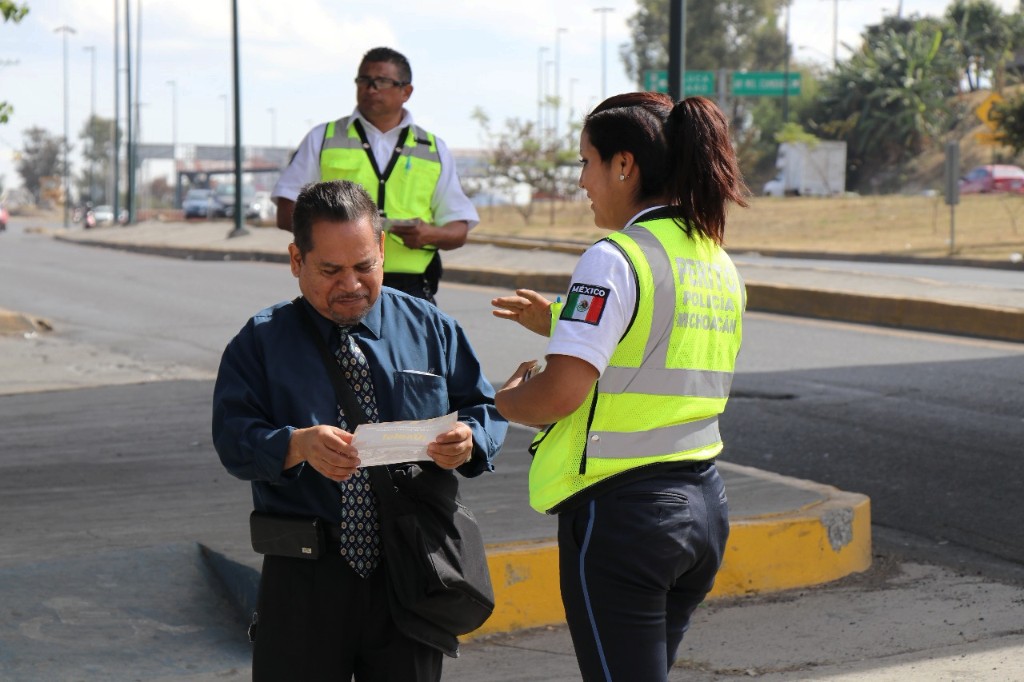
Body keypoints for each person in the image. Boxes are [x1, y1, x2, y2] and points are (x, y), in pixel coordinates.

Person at [491, 93, 748, 682]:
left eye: (586, 162)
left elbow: (558, 394)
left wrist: (501, 401)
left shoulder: (614, 257)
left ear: (624, 165)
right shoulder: (713, 258)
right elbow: (659, 341)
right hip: (704, 509)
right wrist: (561, 319)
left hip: (626, 518)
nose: (582, 180)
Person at [212, 180, 506, 681]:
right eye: (331, 270)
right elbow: (234, 439)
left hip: (411, 572)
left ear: (383, 251)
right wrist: (295, 445)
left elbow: (483, 409)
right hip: (305, 576)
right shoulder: (261, 341)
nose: (350, 284)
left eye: (364, 266)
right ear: (295, 260)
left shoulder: (431, 329)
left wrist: (470, 440)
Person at [271, 46, 479, 304]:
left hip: (410, 289)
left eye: (381, 82)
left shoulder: (433, 149)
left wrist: (427, 234)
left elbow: (458, 229)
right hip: (338, 283)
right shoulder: (323, 138)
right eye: (364, 81)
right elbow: (285, 211)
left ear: (406, 91)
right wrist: (336, 233)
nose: (370, 89)